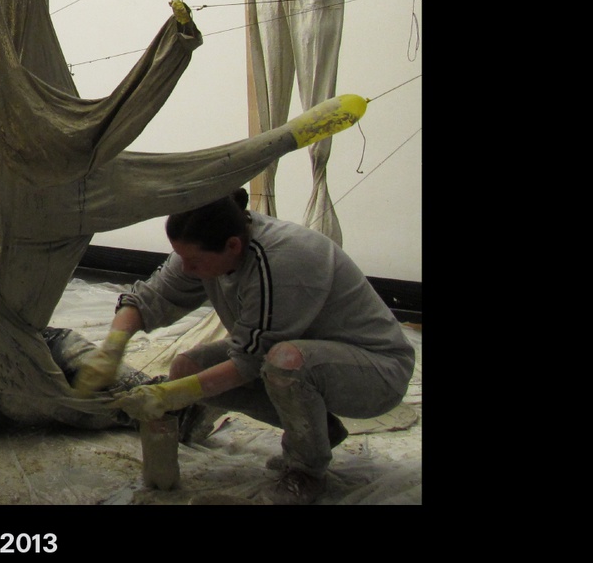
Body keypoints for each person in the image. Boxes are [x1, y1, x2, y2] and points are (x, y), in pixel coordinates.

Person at [70, 189, 415, 505]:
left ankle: (306, 473)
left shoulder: (284, 259)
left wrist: (168, 395)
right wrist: (112, 347)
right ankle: (321, 431)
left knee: (285, 363)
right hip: (309, 355)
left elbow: (250, 361)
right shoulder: (209, 245)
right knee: (188, 368)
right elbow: (151, 296)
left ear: (233, 246)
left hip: (376, 371)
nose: (187, 269)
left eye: (194, 262)